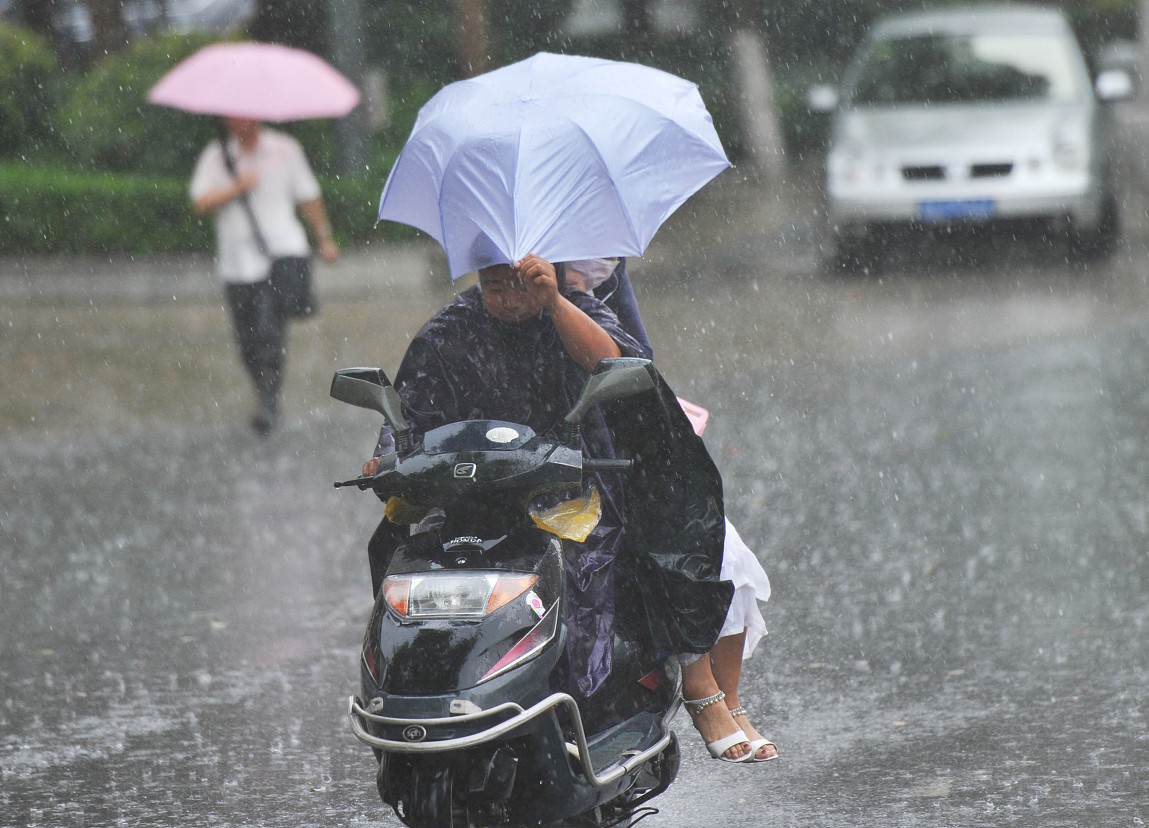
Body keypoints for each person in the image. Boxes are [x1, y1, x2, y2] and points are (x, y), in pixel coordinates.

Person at [362, 254, 760, 763]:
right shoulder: (447, 332)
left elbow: (612, 359)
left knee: (648, 553)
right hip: (471, 499)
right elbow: (408, 415)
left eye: (520, 286)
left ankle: (623, 705)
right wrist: (388, 459)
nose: (508, 299)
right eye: (494, 285)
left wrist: (552, 302)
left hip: (575, 494)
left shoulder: (577, 310)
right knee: (406, 560)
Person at [562, 256, 777, 763]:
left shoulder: (588, 302)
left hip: (606, 458)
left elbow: (633, 365)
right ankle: (704, 694)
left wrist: (559, 300)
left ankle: (725, 699)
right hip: (526, 475)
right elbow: (420, 401)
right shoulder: (462, 328)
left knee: (715, 542)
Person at [189, 117, 339, 436]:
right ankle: (263, 390)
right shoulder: (216, 155)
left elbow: (308, 195)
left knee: (271, 331)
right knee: (247, 340)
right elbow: (201, 202)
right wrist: (236, 188)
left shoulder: (285, 149)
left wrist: (324, 237)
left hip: (282, 254)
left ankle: (268, 401)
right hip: (237, 263)